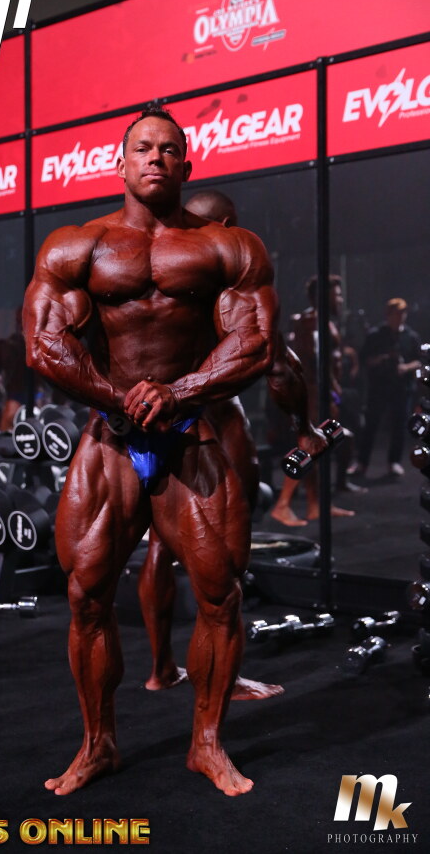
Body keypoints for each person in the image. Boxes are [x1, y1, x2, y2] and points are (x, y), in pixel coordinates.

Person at [24, 106, 285, 797]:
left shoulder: (228, 246)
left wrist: (181, 390)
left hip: (190, 432)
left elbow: (256, 341)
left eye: (169, 149)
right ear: (121, 163)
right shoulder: (77, 246)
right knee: (86, 594)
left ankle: (207, 744)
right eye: (143, 148)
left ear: (187, 164)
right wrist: (120, 397)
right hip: (113, 435)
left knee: (220, 594)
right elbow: (44, 344)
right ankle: (98, 744)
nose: (156, 159)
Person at [139, 188, 326, 694]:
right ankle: (224, 680)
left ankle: (160, 669)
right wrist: (304, 428)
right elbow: (279, 367)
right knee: (226, 559)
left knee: (159, 544)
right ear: (222, 225)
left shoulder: (155, 279)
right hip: (213, 423)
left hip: (151, 426)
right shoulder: (229, 282)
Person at [270, 274, 355, 526]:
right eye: (336, 295)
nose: (340, 299)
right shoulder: (310, 322)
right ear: (322, 296)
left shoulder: (322, 321)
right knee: (311, 445)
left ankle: (315, 505)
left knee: (319, 446)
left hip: (321, 393)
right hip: (315, 394)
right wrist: (329, 390)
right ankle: (282, 504)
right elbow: (312, 360)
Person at [352, 298, 421, 477]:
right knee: (371, 425)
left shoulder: (411, 336)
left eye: (403, 313)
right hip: (379, 387)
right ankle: (362, 463)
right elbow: (364, 359)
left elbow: (419, 360)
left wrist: (405, 367)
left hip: (402, 388)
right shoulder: (375, 335)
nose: (400, 317)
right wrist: (382, 359)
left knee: (399, 426)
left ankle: (394, 462)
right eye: (397, 313)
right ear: (388, 315)